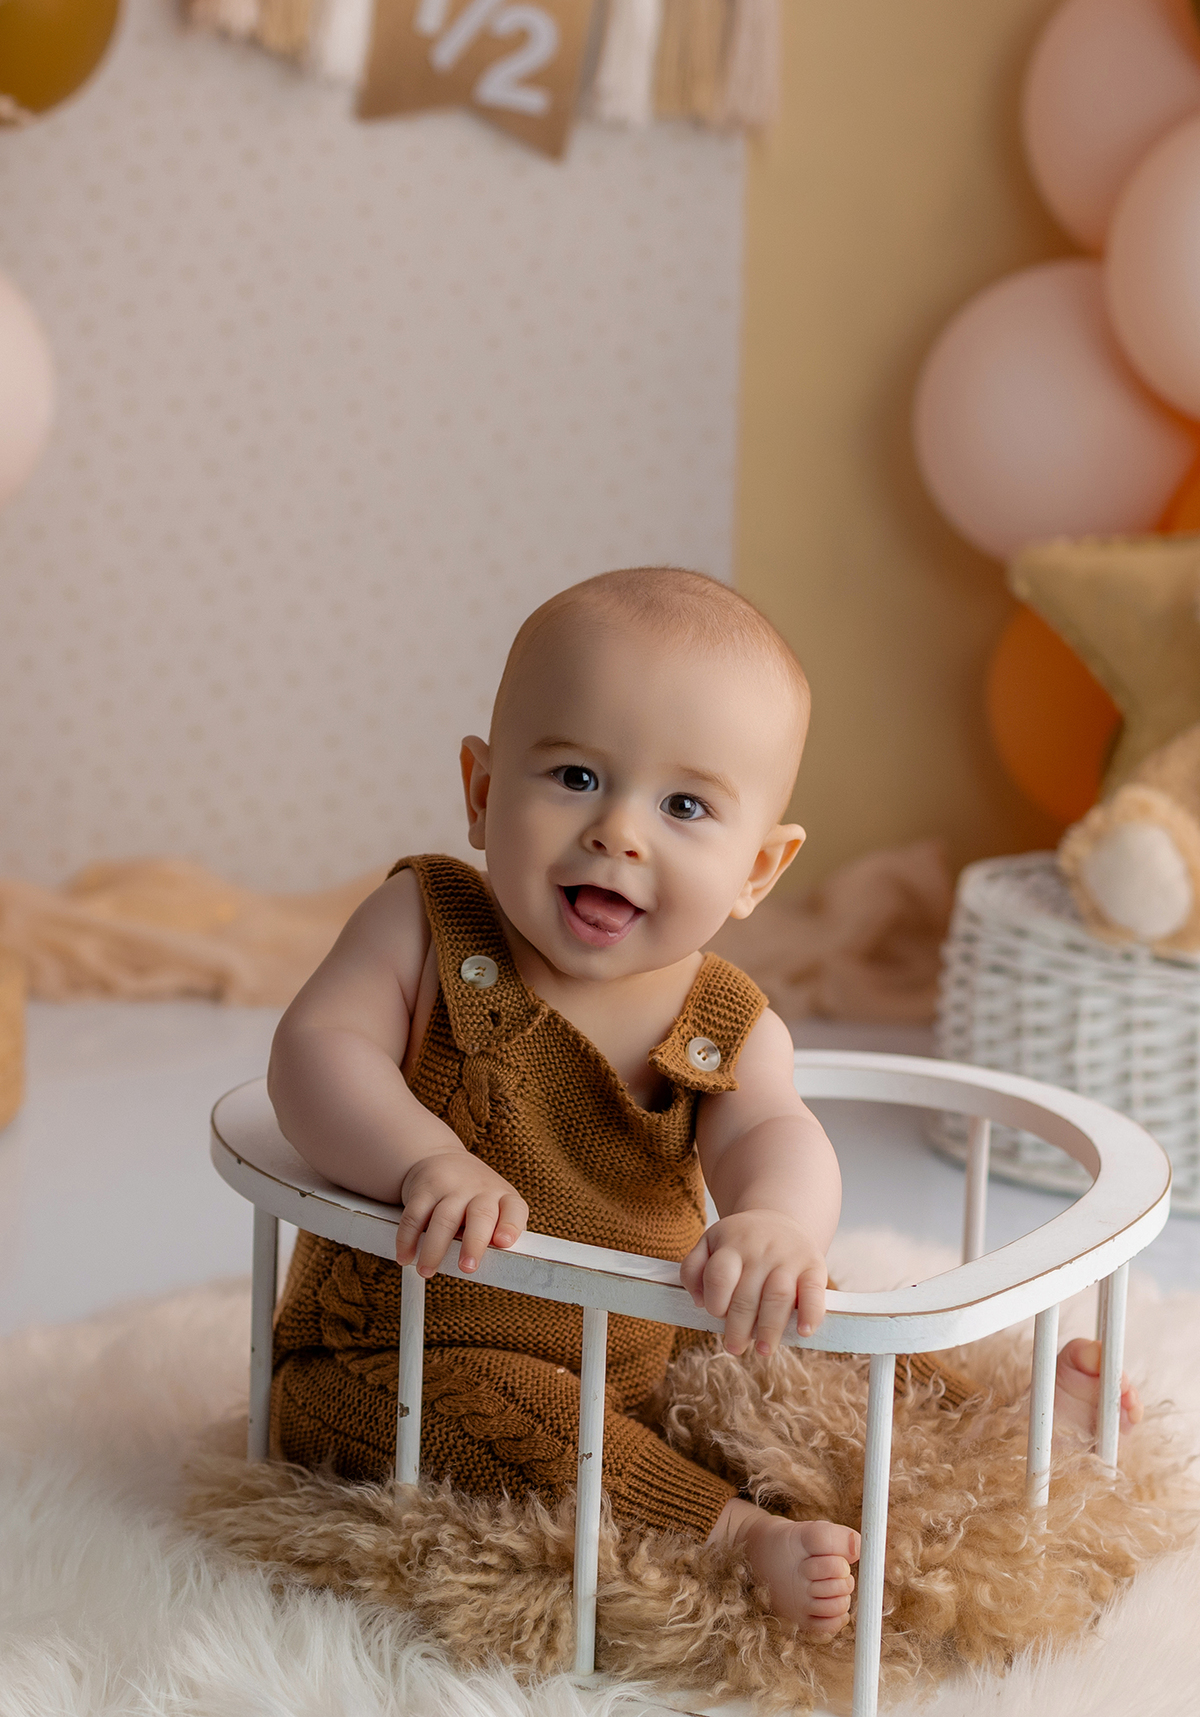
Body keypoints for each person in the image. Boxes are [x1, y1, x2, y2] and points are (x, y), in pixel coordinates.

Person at [266, 566, 1140, 1635]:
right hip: (402, 1348)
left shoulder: (722, 1018)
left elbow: (776, 1129)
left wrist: (776, 1223)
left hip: (644, 1334)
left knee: (815, 1322)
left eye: (684, 805)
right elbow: (317, 1050)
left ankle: (1003, 1418)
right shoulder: (426, 924)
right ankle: (729, 1531)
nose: (619, 832)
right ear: (483, 792)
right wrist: (422, 1156)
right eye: (576, 775)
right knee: (516, 1415)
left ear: (758, 869)